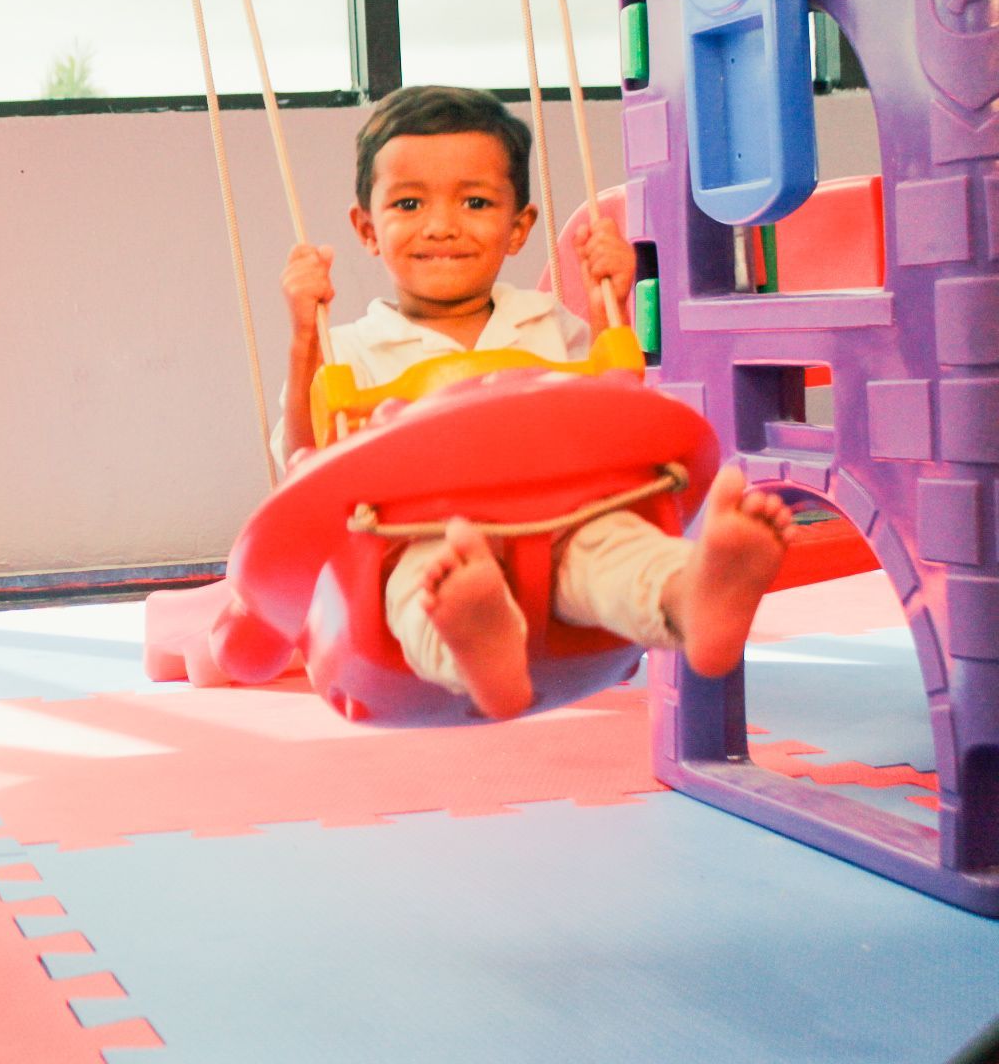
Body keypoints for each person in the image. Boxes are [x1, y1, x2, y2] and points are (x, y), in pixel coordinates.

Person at [277, 86, 794, 720]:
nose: (441, 225)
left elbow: (615, 413)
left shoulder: (550, 324)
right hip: (425, 538)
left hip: (560, 531)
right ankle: (476, 651)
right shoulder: (350, 347)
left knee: (614, 546)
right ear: (366, 229)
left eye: (475, 202)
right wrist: (305, 335)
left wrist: (617, 305)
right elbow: (301, 455)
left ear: (519, 226)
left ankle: (688, 598)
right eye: (409, 203)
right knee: (424, 583)